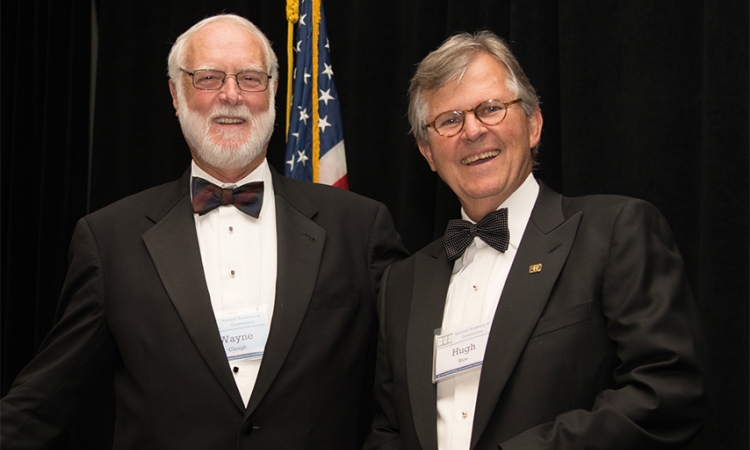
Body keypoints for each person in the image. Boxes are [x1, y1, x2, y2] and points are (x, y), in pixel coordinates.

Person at [1, 13, 407, 449]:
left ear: (273, 91)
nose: (230, 95)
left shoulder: (359, 228)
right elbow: (42, 403)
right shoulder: (108, 240)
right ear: (176, 94)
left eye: (250, 78)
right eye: (208, 77)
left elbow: (407, 390)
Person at [364, 31, 708, 450]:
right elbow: (388, 431)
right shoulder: (402, 284)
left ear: (533, 124)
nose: (471, 131)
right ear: (427, 152)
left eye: (490, 109)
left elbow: (667, 392)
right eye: (449, 120)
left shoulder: (615, 231)